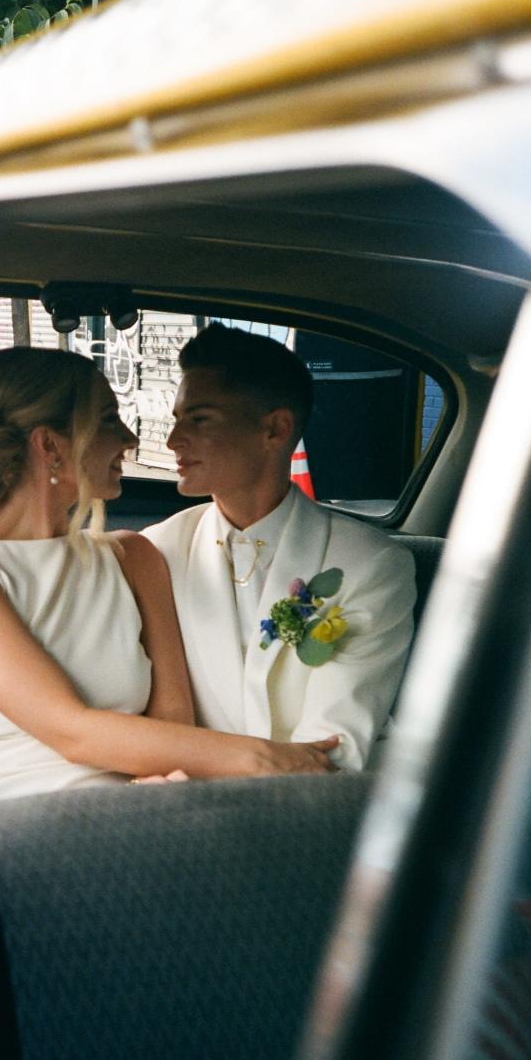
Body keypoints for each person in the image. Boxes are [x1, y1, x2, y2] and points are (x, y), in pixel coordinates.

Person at [0, 346, 337, 807]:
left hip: (129, 820)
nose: (130, 438)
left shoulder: (135, 557)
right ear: (49, 446)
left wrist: (153, 793)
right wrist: (264, 760)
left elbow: (173, 717)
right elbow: (70, 729)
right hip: (3, 827)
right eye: (107, 419)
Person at [143, 326, 416, 770]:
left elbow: (335, 746)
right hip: (185, 804)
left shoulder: (371, 564)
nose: (173, 440)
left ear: (274, 429)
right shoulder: (157, 551)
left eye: (199, 419)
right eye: (176, 419)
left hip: (307, 813)